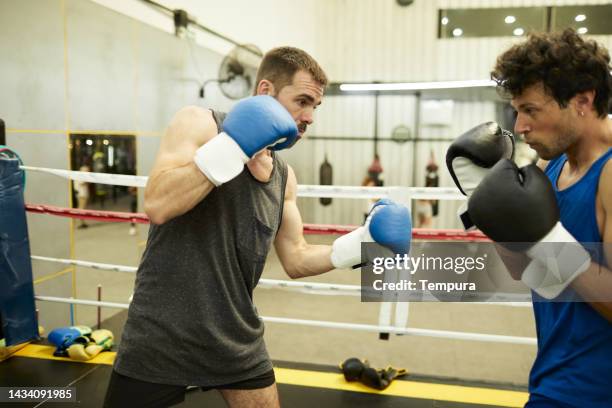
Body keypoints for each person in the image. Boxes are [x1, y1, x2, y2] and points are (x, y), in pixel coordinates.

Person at [104, 46, 413, 408]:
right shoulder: (200, 124)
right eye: (302, 101)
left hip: (236, 335)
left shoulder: (284, 177)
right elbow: (157, 205)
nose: (309, 116)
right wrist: (232, 146)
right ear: (266, 92)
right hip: (160, 332)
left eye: (315, 106)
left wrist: (363, 241)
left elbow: (297, 258)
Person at [447, 29, 612, 407]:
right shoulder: (551, 163)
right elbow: (528, 270)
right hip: (554, 379)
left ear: (583, 101)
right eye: (517, 110)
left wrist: (550, 240)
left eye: (531, 110)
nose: (519, 126)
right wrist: (485, 202)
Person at [75, 164, 90, 229]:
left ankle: (82, 222)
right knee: (81, 208)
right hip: (82, 193)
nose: (88, 171)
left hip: (81, 193)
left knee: (81, 208)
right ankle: (82, 223)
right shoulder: (81, 176)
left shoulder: (78, 175)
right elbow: (82, 183)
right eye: (87, 170)